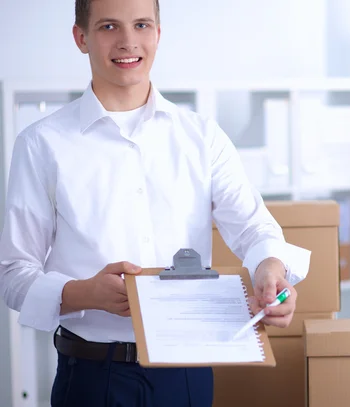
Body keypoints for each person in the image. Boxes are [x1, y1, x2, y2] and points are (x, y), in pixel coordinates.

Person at [0, 0, 310, 405]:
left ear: (158, 34)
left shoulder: (202, 137)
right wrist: (84, 293)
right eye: (109, 26)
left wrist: (270, 268)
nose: (128, 42)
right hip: (93, 376)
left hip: (187, 374)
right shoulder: (42, 144)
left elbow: (253, 227)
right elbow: (13, 274)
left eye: (142, 24)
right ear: (81, 38)